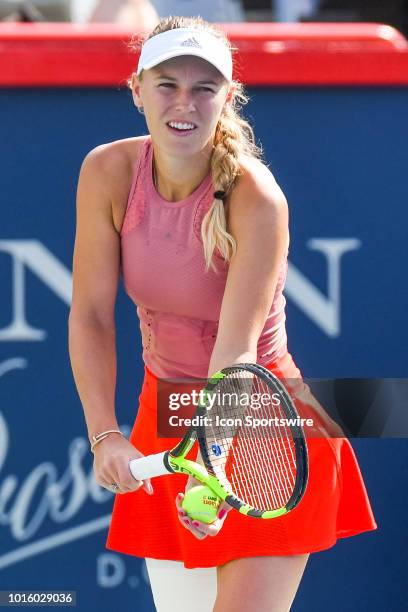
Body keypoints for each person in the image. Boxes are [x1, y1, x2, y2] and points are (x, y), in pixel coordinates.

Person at [68, 15, 377, 612]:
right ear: (137, 90)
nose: (184, 103)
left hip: (262, 429)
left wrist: (211, 463)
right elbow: (90, 315)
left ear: (227, 98)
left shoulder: (257, 200)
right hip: (168, 413)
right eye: (167, 84)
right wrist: (105, 433)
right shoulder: (105, 172)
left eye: (204, 88)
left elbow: (235, 358)